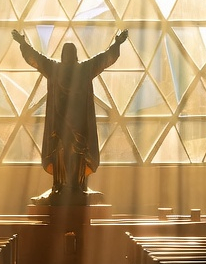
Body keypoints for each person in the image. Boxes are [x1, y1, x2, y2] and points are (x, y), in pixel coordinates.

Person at [11, 27, 129, 196]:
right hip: (76, 125)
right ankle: (71, 186)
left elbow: (36, 59)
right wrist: (117, 43)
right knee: (74, 154)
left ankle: (68, 186)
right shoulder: (83, 69)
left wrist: (23, 43)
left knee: (66, 154)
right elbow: (105, 59)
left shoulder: (55, 69)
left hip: (62, 125)